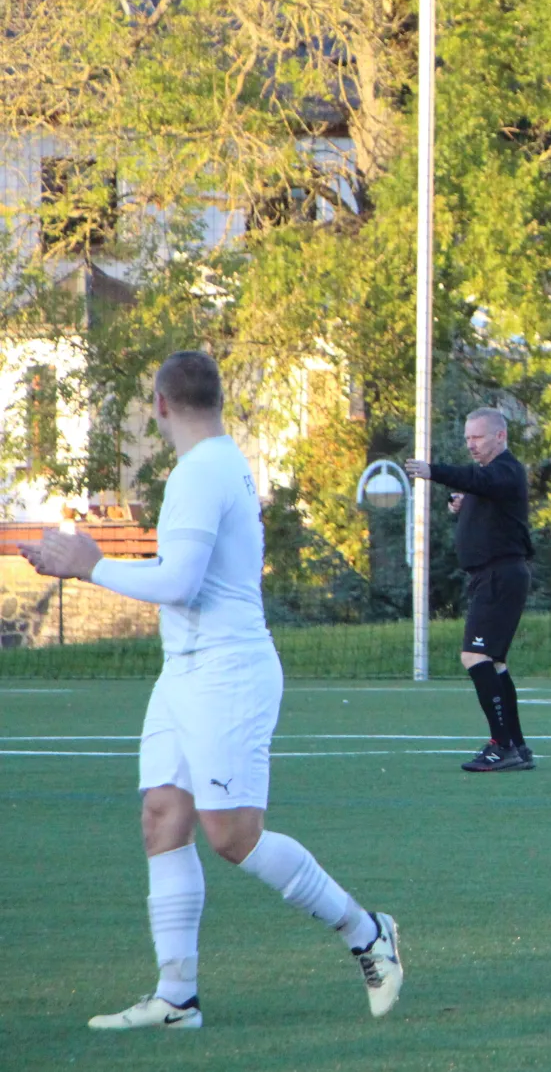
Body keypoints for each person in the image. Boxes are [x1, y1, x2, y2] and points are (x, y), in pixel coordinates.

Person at [19, 351, 402, 1029]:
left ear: (160, 404)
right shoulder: (212, 464)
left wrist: (91, 565)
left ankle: (366, 930)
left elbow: (179, 582)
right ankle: (177, 998)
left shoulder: (203, 471)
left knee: (233, 836)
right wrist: (83, 563)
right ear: (215, 399)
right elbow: (180, 574)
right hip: (186, 671)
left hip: (227, 671)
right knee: (163, 815)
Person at [405, 408, 536, 771]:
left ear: (500, 436)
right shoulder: (491, 479)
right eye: (467, 438)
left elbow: (479, 480)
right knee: (495, 663)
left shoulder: (506, 470)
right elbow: (482, 493)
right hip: (492, 577)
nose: (471, 445)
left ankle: (502, 746)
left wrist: (433, 471)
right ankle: (516, 745)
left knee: (474, 657)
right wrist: (464, 506)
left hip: (499, 576)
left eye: (477, 437)